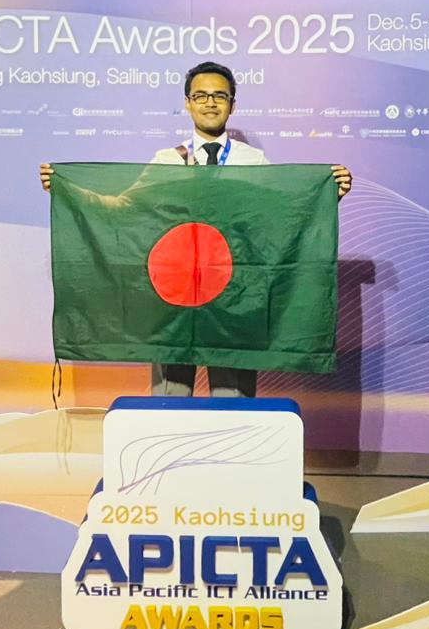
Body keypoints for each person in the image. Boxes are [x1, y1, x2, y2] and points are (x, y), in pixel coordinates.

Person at [40, 60, 352, 397]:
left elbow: (280, 219)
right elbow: (125, 209)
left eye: (220, 96)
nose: (210, 103)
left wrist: (327, 196)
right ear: (187, 103)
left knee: (233, 403)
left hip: (236, 297)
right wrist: (71, 192)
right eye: (200, 96)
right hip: (173, 301)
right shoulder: (167, 160)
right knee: (170, 400)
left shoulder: (253, 161)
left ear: (232, 104)